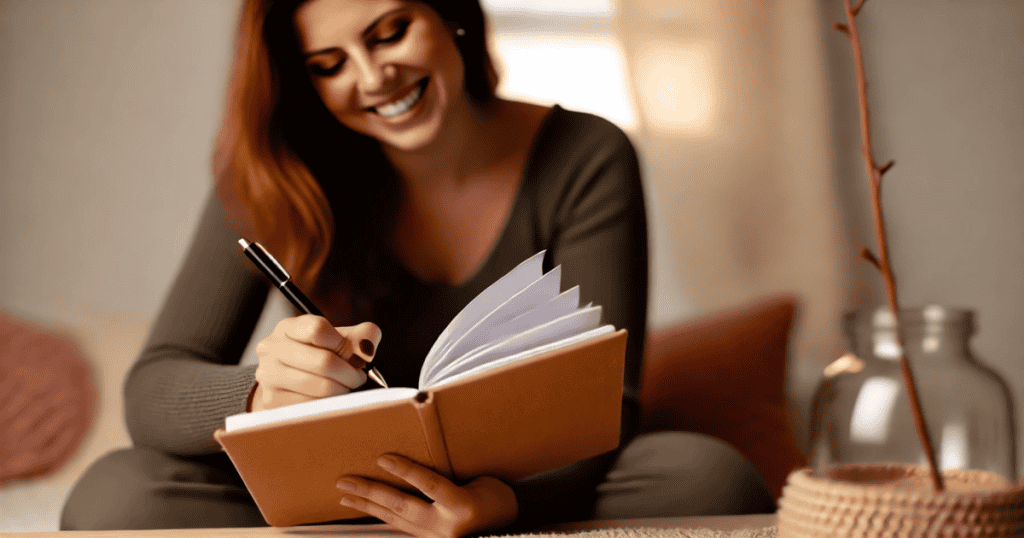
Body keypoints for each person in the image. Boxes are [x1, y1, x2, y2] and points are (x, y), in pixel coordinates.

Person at [60, 0, 775, 534]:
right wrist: (258, 391)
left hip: (520, 490)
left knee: (707, 475)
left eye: (390, 31)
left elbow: (603, 400)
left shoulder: (586, 155)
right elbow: (152, 390)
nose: (374, 78)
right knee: (117, 492)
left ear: (450, 13)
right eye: (329, 65)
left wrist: (506, 502)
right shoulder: (275, 176)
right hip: (336, 497)